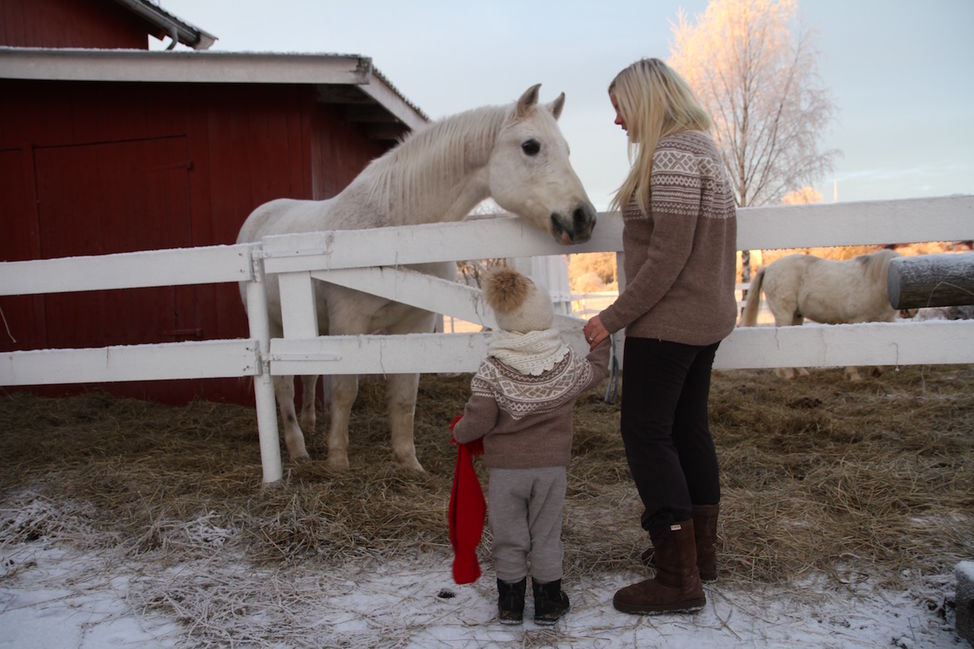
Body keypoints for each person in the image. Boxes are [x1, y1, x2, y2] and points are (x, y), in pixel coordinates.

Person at [582, 57, 738, 615]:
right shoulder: (704, 151)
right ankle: (702, 556)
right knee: (687, 428)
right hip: (707, 317)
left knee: (646, 434)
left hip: (669, 323)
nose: (618, 121)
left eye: (620, 107)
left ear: (644, 100)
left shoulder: (670, 158)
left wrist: (611, 318)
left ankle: (678, 579)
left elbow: (668, 255)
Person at [452, 267, 610, 626]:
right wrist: (603, 342)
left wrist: (460, 432)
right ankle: (548, 602)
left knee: (509, 536)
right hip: (551, 469)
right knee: (546, 534)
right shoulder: (565, 363)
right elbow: (596, 371)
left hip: (506, 472)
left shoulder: (493, 368)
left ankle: (509, 604)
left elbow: (478, 421)